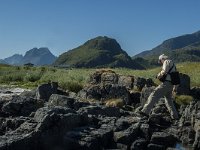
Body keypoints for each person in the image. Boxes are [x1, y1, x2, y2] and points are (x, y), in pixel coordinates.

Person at [140, 54, 179, 120]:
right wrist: (175, 88)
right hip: (171, 85)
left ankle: (145, 112)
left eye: (160, 61)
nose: (161, 63)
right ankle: (175, 117)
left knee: (154, 94)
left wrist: (158, 75)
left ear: (162, 59)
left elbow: (164, 71)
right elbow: (175, 77)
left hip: (166, 84)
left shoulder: (166, 61)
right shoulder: (173, 65)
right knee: (169, 101)